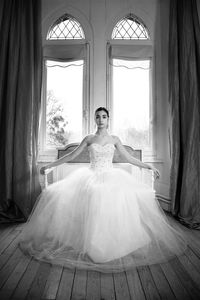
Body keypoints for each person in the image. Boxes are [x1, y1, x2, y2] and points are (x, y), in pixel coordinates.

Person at [19, 107, 187, 273]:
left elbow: (129, 158)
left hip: (111, 176)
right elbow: (71, 156)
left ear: (108, 119)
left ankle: (113, 242)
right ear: (94, 119)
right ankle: (90, 243)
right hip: (91, 176)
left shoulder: (114, 139)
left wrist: (148, 165)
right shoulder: (89, 139)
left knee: (113, 195)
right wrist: (50, 165)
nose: (100, 119)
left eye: (104, 117)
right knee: (94, 193)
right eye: (98, 116)